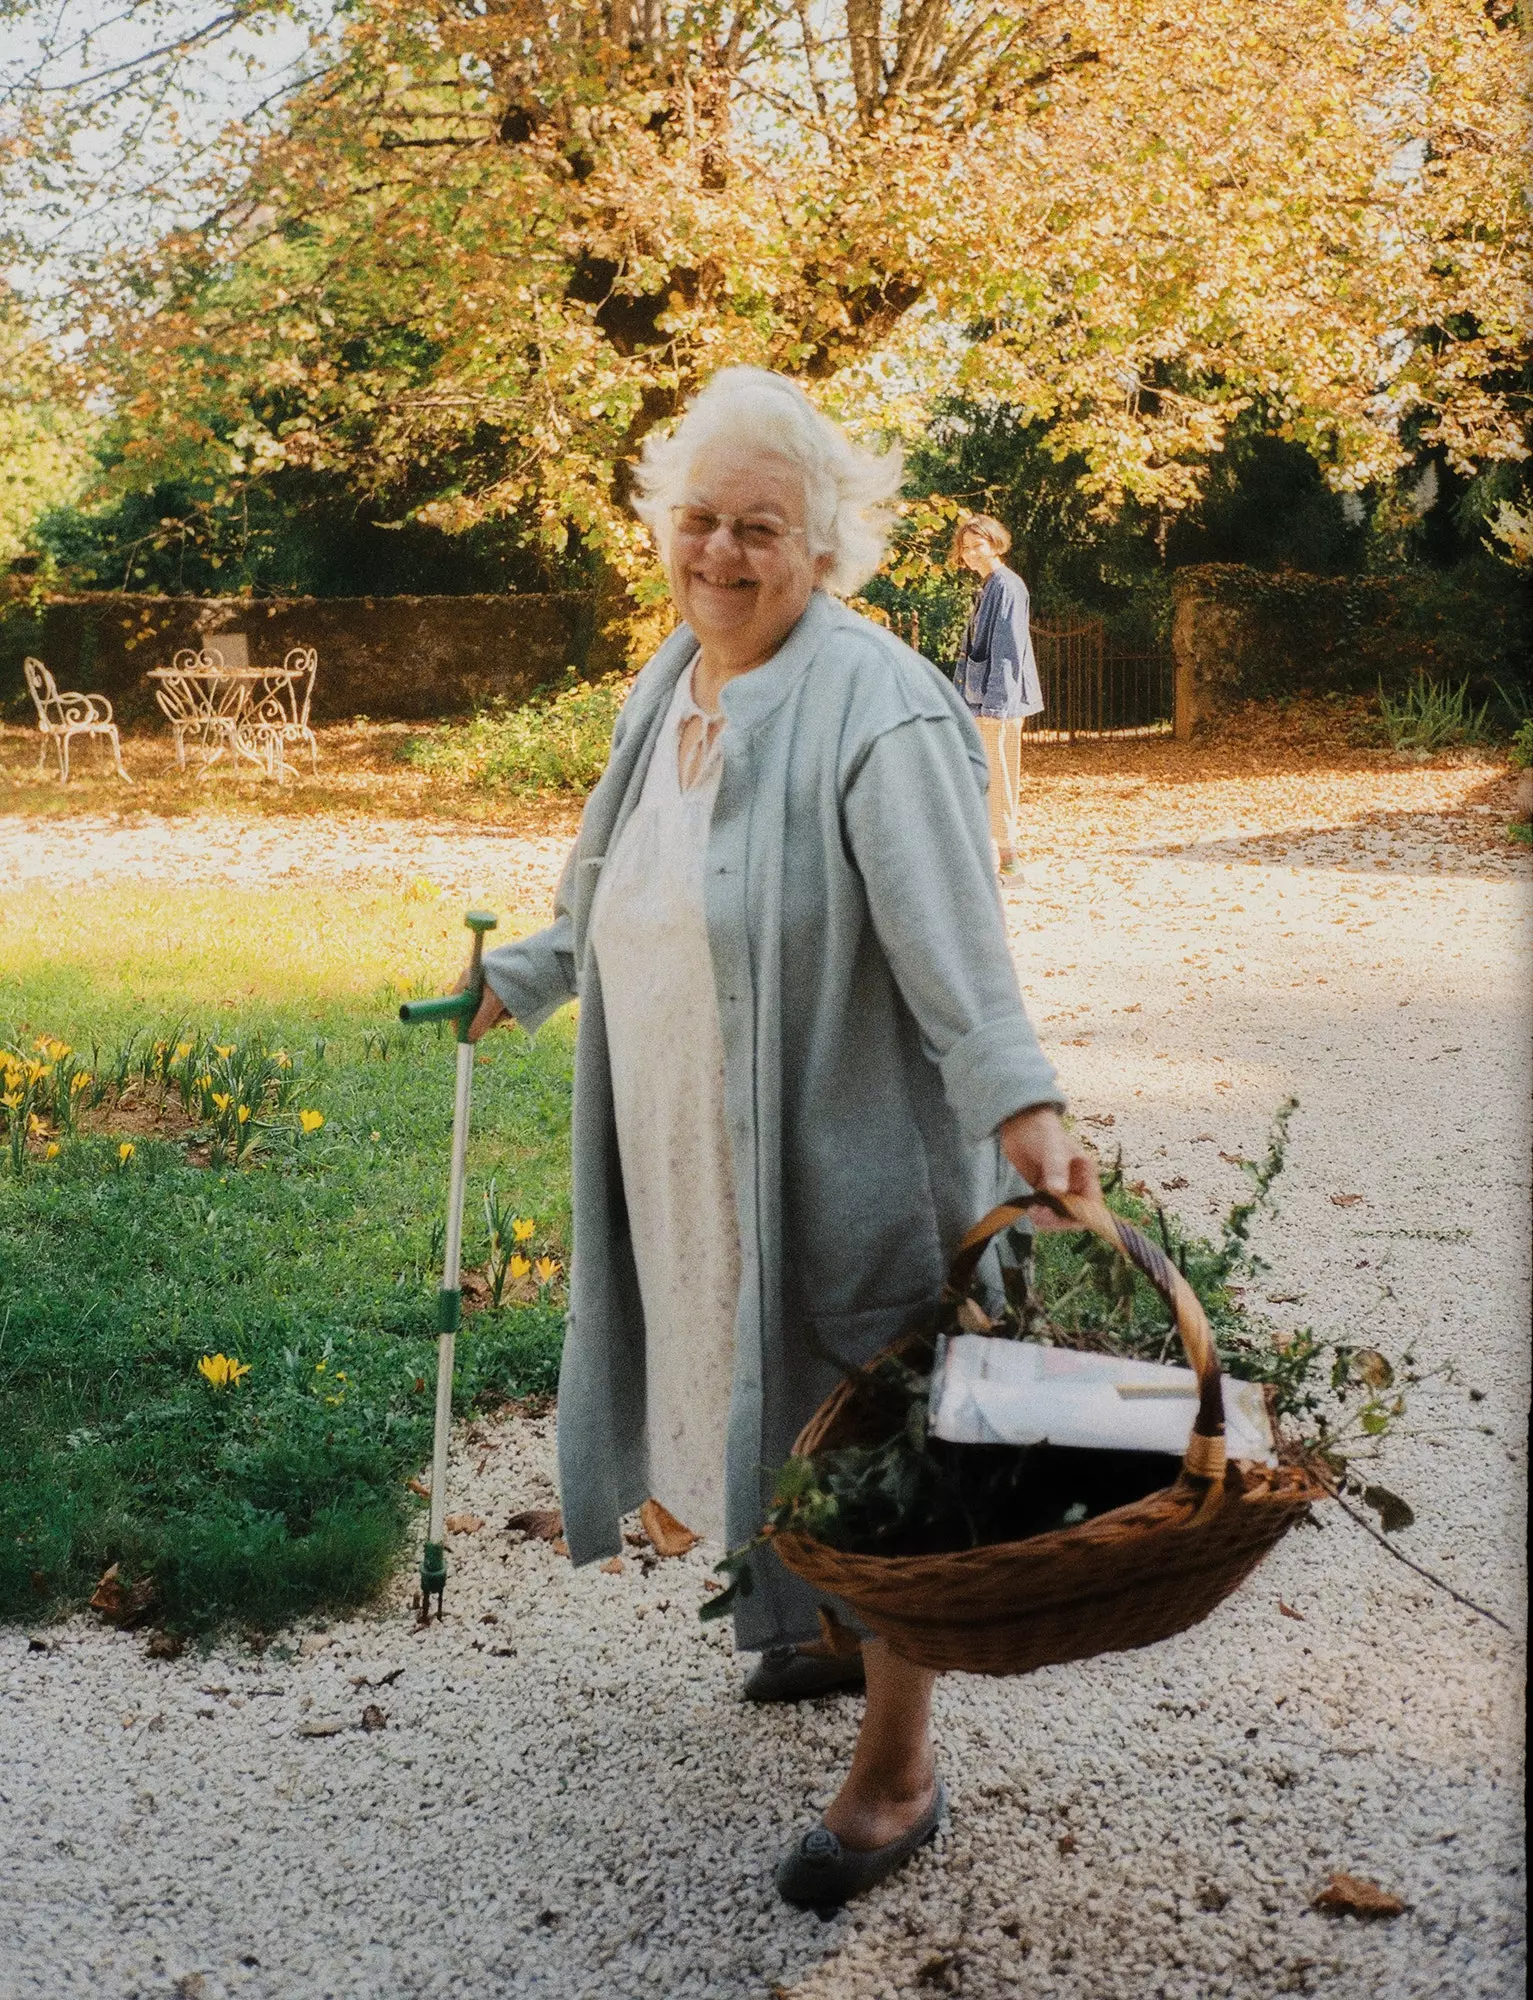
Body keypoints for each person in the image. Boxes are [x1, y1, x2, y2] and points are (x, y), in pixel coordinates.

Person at [452, 368, 1097, 1908]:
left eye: (761, 528)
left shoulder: (880, 704)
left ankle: (899, 1764)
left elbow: (959, 949)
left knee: (873, 1413)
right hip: (685, 1134)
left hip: (826, 1134)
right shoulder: (668, 676)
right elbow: (610, 879)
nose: (721, 554)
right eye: (698, 520)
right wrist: (523, 976)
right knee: (747, 1376)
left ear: (827, 546)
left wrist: (1021, 1101)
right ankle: (810, 1624)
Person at [952, 514, 1043, 875]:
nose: (972, 554)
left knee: (999, 778)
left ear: (995, 544)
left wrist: (994, 705)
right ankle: (993, 857)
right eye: (966, 548)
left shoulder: (1006, 586)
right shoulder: (989, 585)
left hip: (997, 703)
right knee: (983, 776)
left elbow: (1007, 649)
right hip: (983, 699)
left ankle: (1010, 863)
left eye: (979, 546)